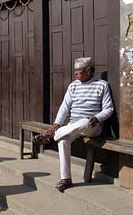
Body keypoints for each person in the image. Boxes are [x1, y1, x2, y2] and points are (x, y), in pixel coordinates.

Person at [35, 57, 114, 192]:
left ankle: (51, 134)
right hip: (73, 125)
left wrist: (97, 117)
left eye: (79, 72)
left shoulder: (102, 85)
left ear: (89, 71)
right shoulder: (73, 86)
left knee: (84, 121)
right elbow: (64, 107)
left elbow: (109, 109)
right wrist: (57, 124)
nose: (76, 74)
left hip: (92, 126)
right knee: (63, 140)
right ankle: (66, 178)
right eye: (75, 72)